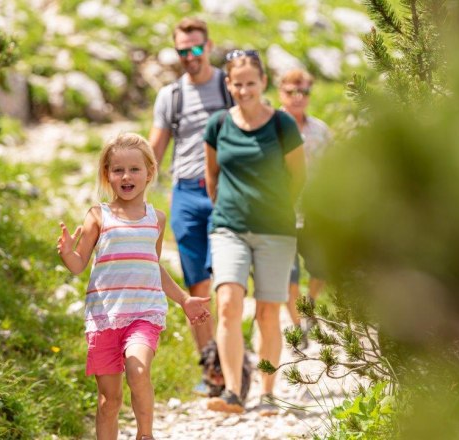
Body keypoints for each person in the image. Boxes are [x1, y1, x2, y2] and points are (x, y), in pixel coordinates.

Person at [57, 133, 212, 440]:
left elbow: (152, 265)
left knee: (138, 369)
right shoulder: (98, 215)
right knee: (108, 401)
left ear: (149, 173)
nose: (126, 176)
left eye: (134, 169)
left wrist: (184, 299)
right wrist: (67, 254)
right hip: (104, 317)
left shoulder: (156, 218)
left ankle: (145, 434)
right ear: (107, 175)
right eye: (118, 170)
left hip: (144, 313)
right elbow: (78, 265)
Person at [202, 50, 305, 414]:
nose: (244, 90)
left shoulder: (283, 125)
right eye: (236, 83)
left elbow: (298, 176)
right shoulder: (217, 124)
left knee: (267, 313)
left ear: (263, 83)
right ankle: (232, 391)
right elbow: (211, 176)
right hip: (228, 227)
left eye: (250, 83)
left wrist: (272, 207)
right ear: (228, 85)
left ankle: (267, 393)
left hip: (275, 230)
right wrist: (228, 208)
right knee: (228, 303)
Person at [148, 17, 233, 394]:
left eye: (196, 48)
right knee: (197, 285)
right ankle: (211, 369)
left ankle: (233, 364)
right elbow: (153, 151)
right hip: (185, 194)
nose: (190, 56)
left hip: (227, 192)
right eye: (183, 50)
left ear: (208, 46)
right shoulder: (171, 96)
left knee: (228, 282)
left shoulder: (229, 86)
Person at [279, 69, 333, 349]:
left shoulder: (321, 130)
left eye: (303, 92)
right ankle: (296, 325)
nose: (297, 98)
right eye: (290, 92)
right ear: (280, 93)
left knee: (320, 267)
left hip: (315, 212)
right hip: (281, 211)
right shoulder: (270, 126)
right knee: (289, 273)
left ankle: (310, 306)